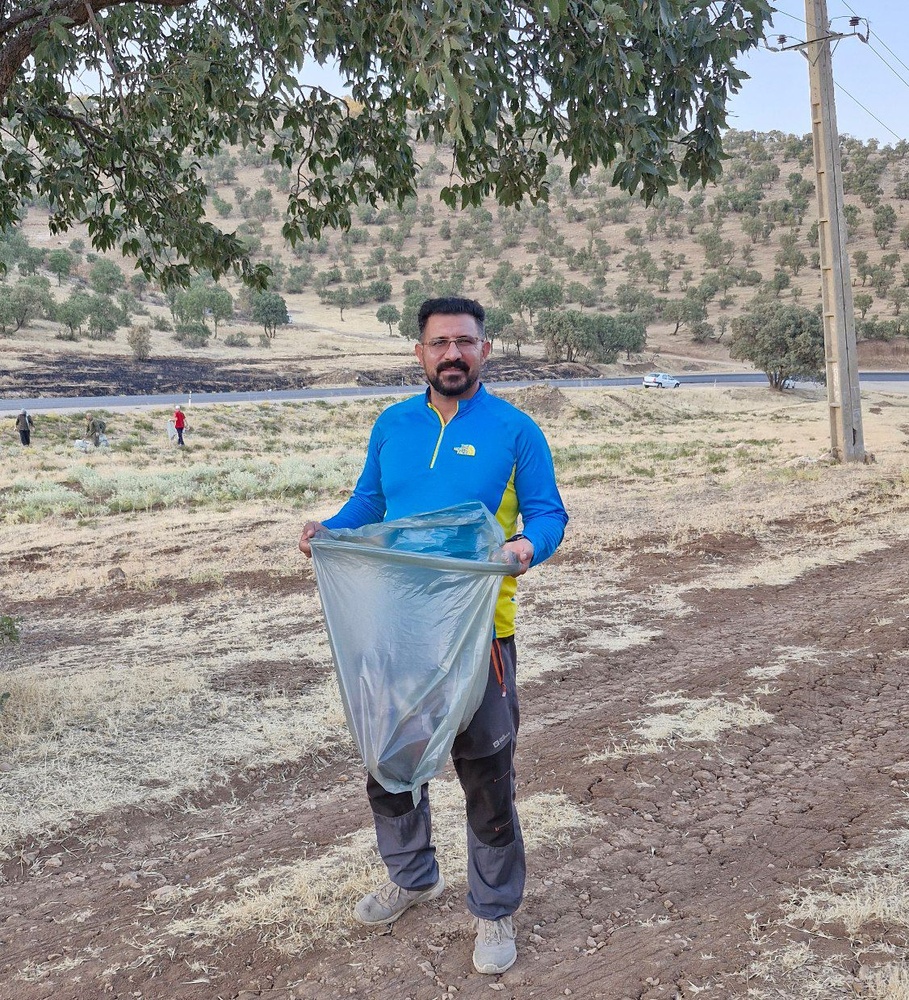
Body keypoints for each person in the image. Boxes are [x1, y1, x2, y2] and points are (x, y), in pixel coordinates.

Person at [299, 297, 567, 976]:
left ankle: (494, 910)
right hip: (396, 631)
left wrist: (524, 548)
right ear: (418, 352)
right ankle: (412, 874)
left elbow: (548, 514)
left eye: (465, 343)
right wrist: (330, 529)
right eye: (439, 343)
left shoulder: (515, 430)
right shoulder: (392, 426)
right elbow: (370, 503)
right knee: (389, 763)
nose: (452, 354)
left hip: (478, 633)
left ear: (484, 350)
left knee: (486, 778)